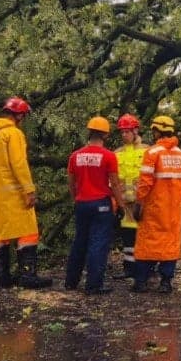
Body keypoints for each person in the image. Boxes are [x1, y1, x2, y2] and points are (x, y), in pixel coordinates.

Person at [0, 96, 52, 289]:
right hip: (14, 193)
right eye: (23, 116)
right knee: (28, 232)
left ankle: (2, 277)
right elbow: (19, 164)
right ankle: (28, 276)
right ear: (19, 115)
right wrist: (29, 190)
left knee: (0, 233)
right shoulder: (13, 134)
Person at [64, 116, 125, 295]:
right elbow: (115, 184)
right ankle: (94, 284)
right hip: (101, 205)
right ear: (105, 135)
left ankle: (71, 281)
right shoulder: (109, 156)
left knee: (79, 242)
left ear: (89, 132)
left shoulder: (75, 156)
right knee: (98, 243)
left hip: (82, 203)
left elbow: (71, 183)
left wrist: (76, 199)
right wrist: (121, 206)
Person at [132, 115, 181, 294]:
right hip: (173, 210)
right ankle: (166, 282)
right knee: (170, 245)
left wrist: (138, 203)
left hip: (153, 209)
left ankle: (141, 282)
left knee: (147, 243)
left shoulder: (152, 153)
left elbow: (145, 183)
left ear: (157, 131)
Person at [114, 114, 148, 279]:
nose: (124, 135)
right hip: (125, 205)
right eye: (122, 132)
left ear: (135, 131)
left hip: (143, 203)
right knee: (128, 238)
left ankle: (146, 269)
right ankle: (129, 268)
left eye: (127, 131)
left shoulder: (147, 151)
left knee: (144, 237)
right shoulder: (117, 153)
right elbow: (112, 180)